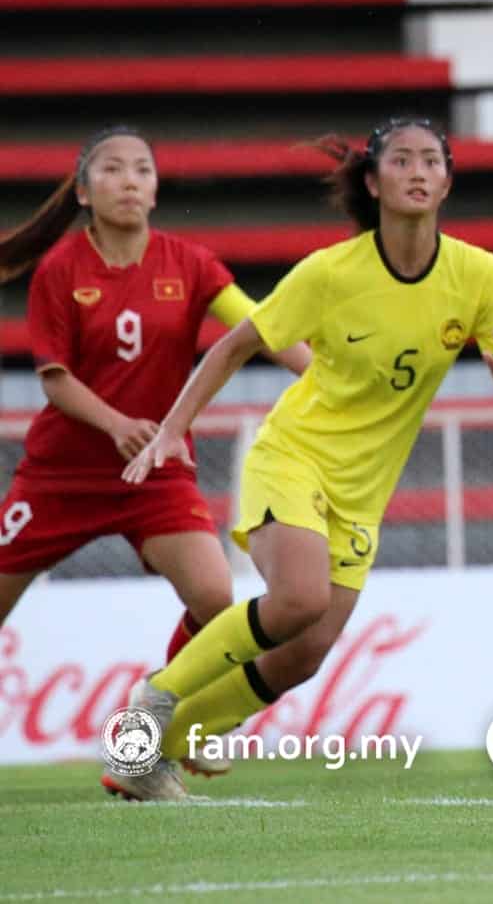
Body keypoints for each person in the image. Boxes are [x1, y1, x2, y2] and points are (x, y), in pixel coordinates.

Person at [115, 119, 493, 801]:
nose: (417, 170)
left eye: (430, 160)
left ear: (446, 181)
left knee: (303, 654)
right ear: (374, 182)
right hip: (293, 456)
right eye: (400, 159)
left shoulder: (478, 276)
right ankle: (156, 696)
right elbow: (235, 343)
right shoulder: (330, 273)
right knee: (298, 599)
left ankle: (146, 757)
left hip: (363, 491)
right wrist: (175, 427)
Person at [0, 129, 310, 788]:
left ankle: (155, 738)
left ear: (157, 187)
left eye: (143, 168)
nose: (131, 180)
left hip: (156, 468)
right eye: (112, 169)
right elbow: (54, 378)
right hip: (62, 475)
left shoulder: (191, 263)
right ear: (84, 191)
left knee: (213, 595)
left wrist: (324, 377)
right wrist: (116, 425)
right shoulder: (61, 269)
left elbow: (260, 327)